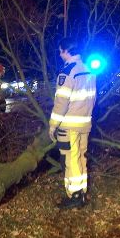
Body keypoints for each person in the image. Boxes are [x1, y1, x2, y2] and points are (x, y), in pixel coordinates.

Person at [49, 38, 96, 209]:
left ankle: (75, 195)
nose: (60, 54)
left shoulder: (67, 72)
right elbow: (93, 98)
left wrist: (53, 124)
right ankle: (81, 192)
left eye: (61, 51)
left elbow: (61, 102)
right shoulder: (89, 69)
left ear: (66, 51)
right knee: (81, 158)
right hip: (85, 123)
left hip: (70, 126)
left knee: (71, 159)